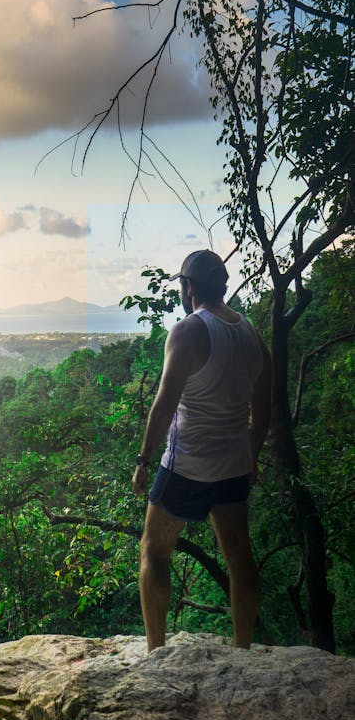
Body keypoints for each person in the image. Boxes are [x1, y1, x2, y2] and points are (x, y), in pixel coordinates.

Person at [131, 250, 271, 651]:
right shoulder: (251, 334)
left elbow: (163, 407)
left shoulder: (188, 331)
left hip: (186, 466)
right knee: (240, 558)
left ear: (188, 287)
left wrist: (143, 461)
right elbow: (262, 410)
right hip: (233, 466)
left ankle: (156, 650)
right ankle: (242, 648)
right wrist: (252, 457)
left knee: (155, 553)